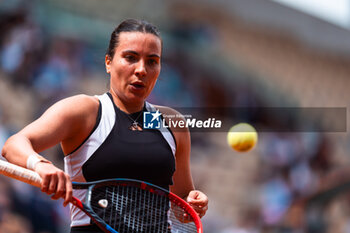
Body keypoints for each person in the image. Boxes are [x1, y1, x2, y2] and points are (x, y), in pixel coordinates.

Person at [1, 19, 208, 232]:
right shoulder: (84, 111)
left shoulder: (172, 123)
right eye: (130, 58)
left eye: (152, 61)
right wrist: (40, 164)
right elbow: (14, 144)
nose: (141, 70)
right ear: (108, 62)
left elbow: (182, 208)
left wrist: (194, 203)